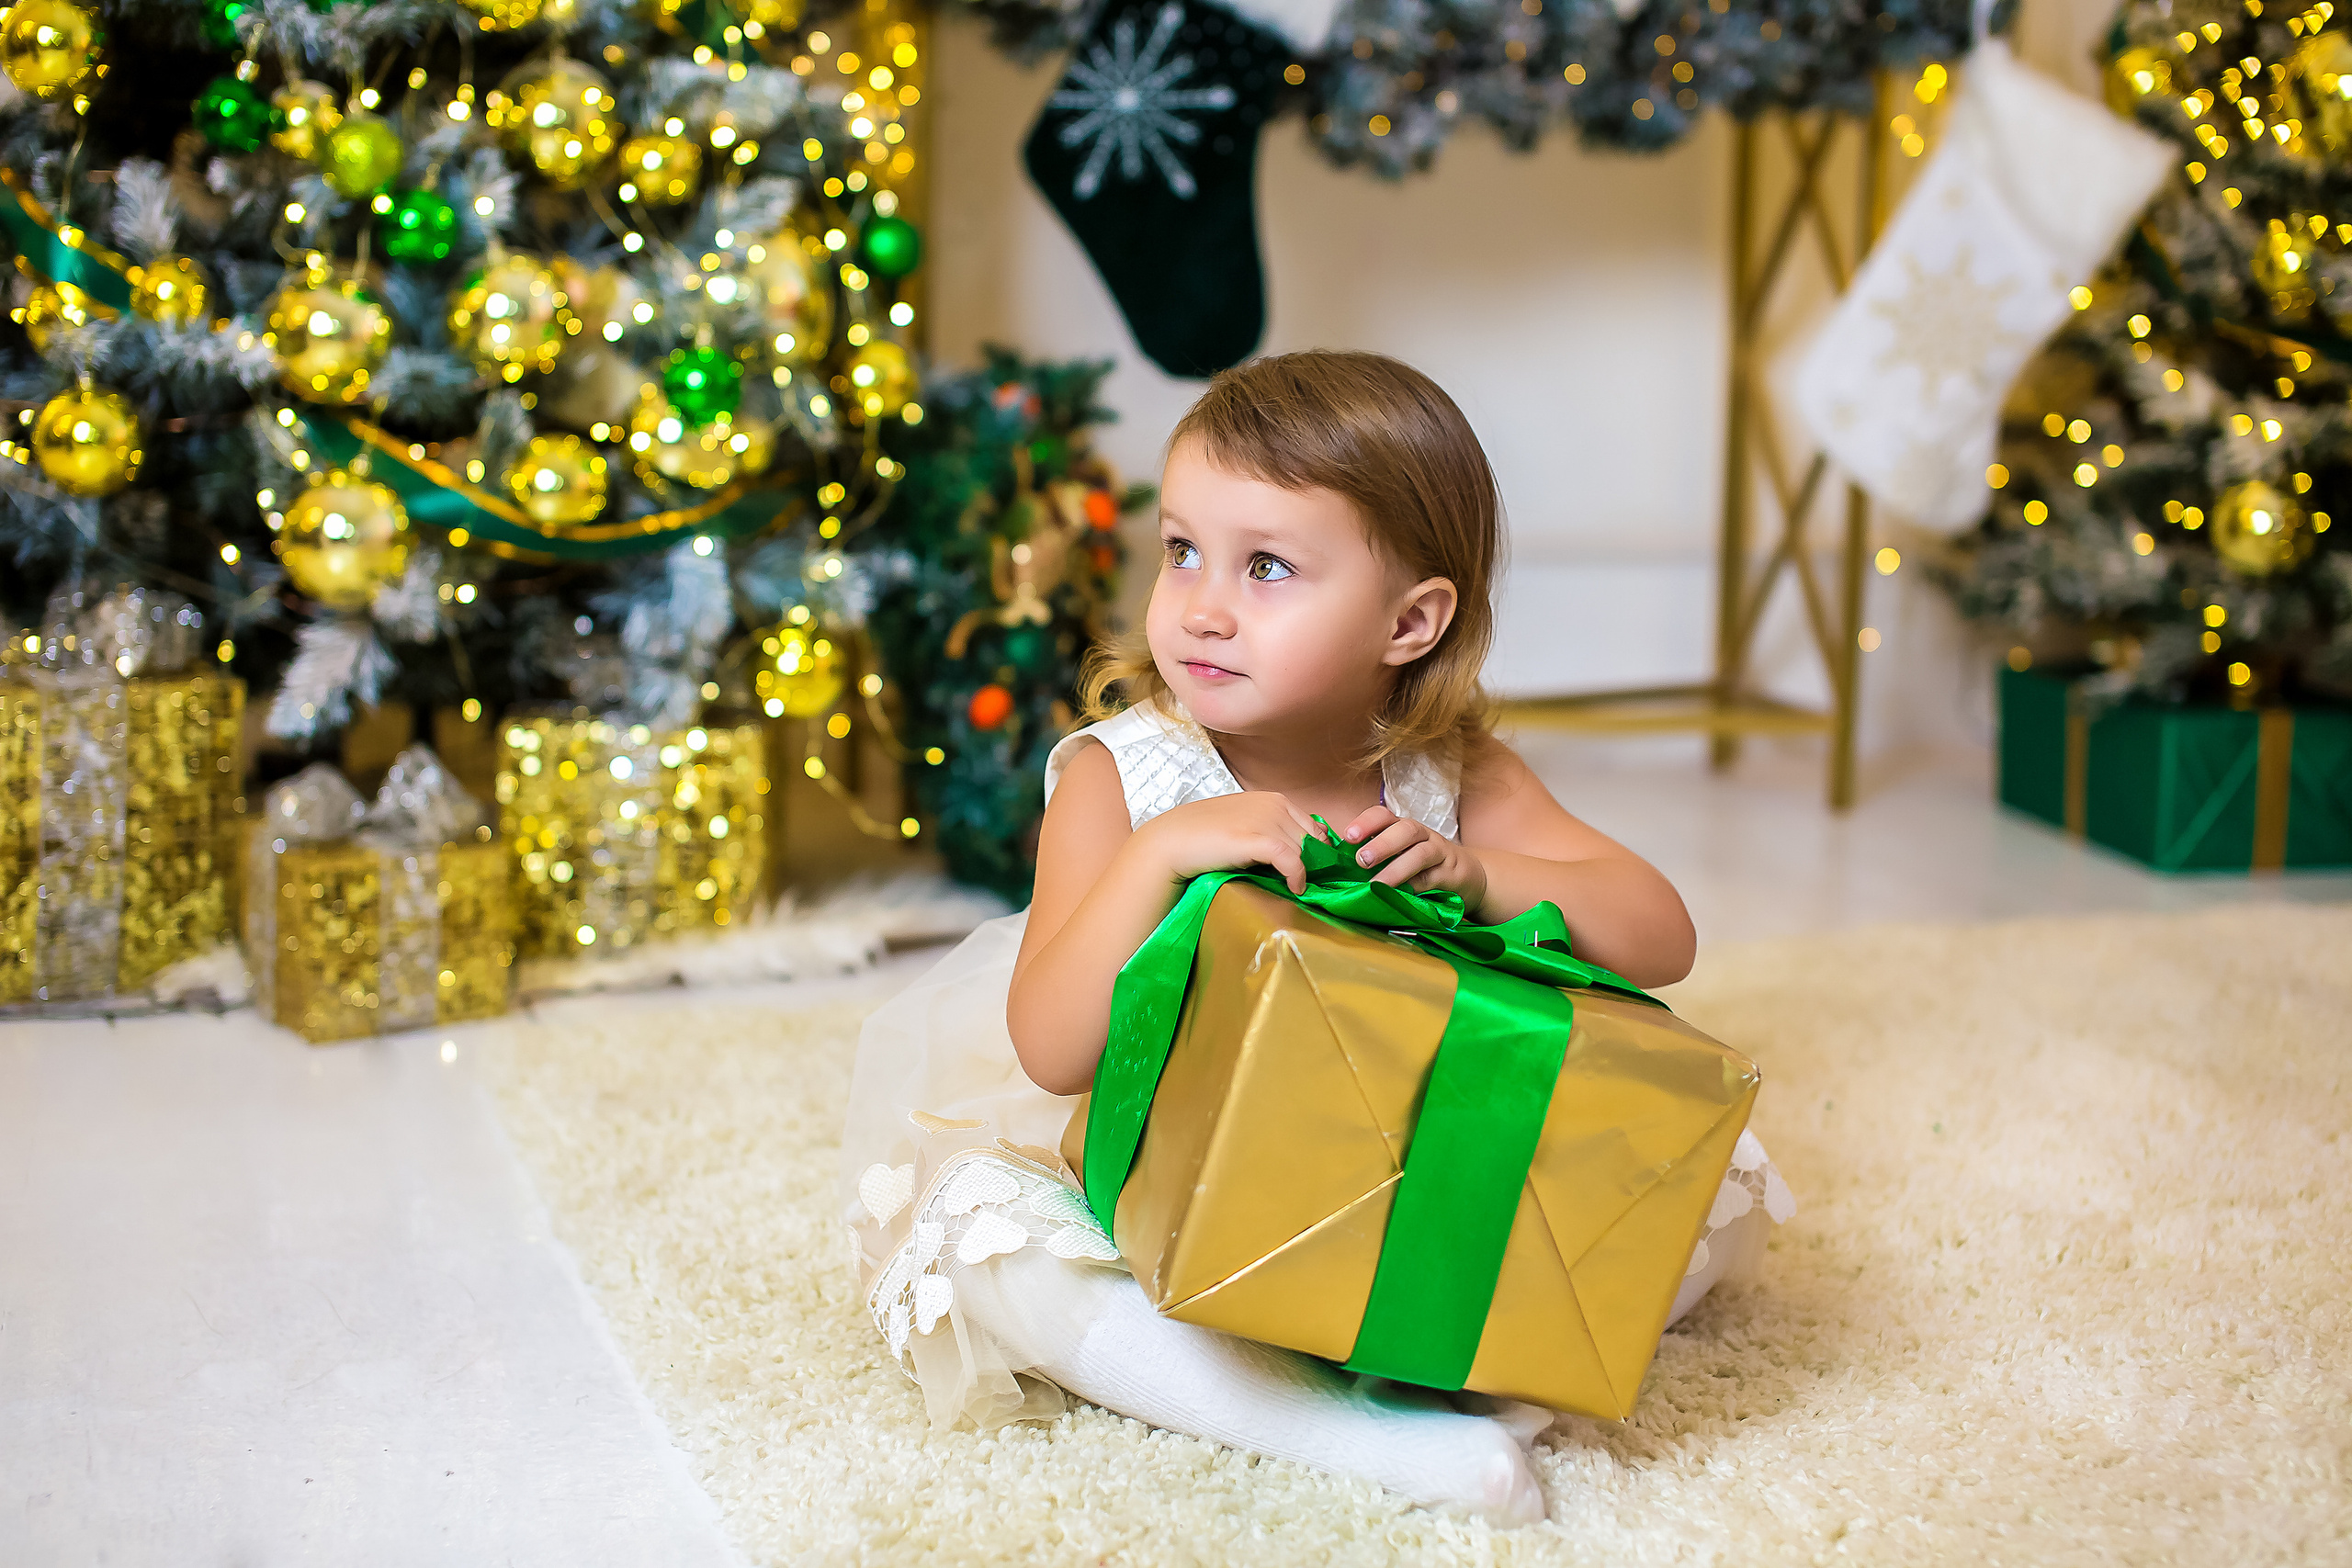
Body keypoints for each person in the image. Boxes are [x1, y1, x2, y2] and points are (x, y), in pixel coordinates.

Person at [841, 351, 1793, 1524]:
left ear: (1409, 621)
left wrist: (1486, 873)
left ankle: (1474, 1375)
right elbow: (1048, 1047)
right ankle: (1348, 1435)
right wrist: (1160, 855)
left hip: (1388, 1160)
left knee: (1698, 1182)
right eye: (1181, 548)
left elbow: (1663, 933)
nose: (1201, 604)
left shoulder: (1447, 773)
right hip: (1149, 1177)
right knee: (983, 1249)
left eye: (1268, 567)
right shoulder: (1121, 777)